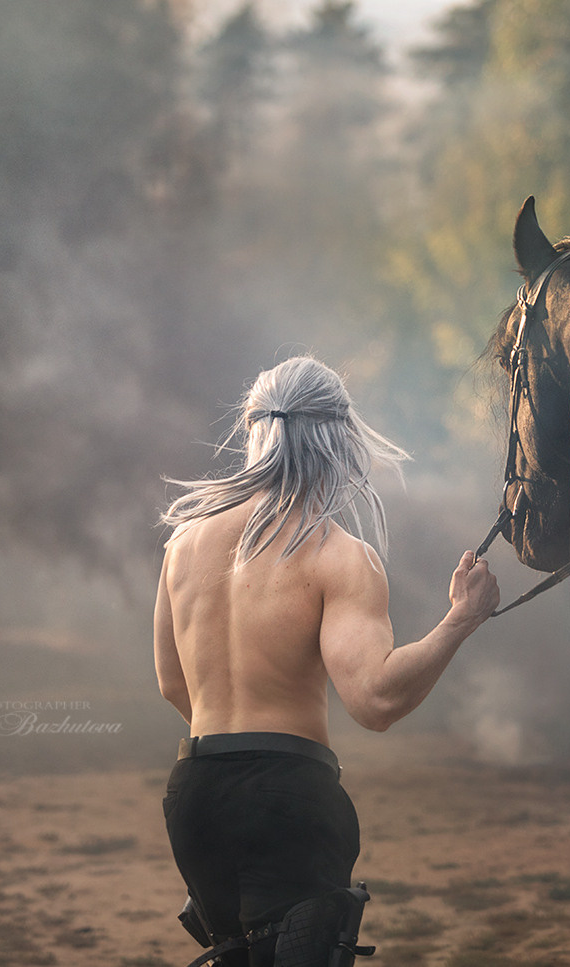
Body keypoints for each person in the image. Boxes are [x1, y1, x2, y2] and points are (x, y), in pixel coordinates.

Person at [154, 355, 499, 966]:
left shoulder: (183, 543)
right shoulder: (336, 553)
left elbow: (171, 682)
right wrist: (460, 620)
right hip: (289, 795)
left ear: (254, 427)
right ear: (338, 437)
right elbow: (376, 700)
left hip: (196, 794)